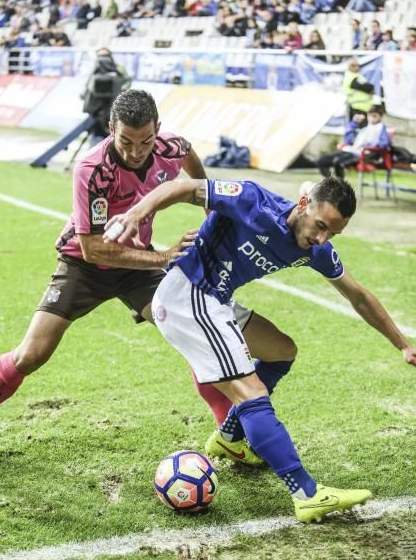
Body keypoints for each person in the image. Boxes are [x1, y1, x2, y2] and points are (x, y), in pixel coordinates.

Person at [103, 176, 416, 523]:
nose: (322, 238)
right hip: (187, 297)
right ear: (303, 205)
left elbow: (358, 295)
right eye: (321, 226)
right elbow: (187, 187)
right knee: (250, 394)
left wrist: (403, 345)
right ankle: (307, 494)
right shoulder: (253, 201)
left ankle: (229, 438)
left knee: (281, 350)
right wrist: (137, 213)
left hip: (215, 301)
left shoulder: (316, 249)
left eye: (332, 234)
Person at [0, 89, 221, 457]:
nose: (136, 151)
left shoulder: (170, 147)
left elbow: (190, 161)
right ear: (111, 129)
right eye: (126, 140)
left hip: (136, 266)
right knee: (32, 354)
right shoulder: (92, 170)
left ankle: (228, 433)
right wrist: (164, 257)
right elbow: (93, 247)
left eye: (146, 140)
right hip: (84, 265)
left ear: (158, 128)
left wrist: (209, 208)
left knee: (193, 337)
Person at [316, 105, 391, 179]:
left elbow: (384, 144)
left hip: (362, 155)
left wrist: (368, 146)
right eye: (370, 116)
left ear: (381, 117)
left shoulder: (381, 128)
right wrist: (354, 123)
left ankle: (339, 186)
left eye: (374, 116)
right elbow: (348, 140)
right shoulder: (364, 129)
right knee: (321, 161)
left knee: (338, 162)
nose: (371, 118)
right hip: (350, 151)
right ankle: (332, 183)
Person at [81, 48, 131, 147]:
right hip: (97, 109)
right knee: (96, 134)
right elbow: (89, 84)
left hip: (113, 106)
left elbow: (127, 81)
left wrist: (120, 91)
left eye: (104, 56)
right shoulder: (96, 70)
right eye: (99, 56)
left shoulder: (118, 69)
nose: (101, 59)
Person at [342, 58, 375, 122]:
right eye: (353, 65)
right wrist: (371, 88)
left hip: (364, 107)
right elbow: (365, 87)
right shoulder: (351, 77)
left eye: (358, 65)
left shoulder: (357, 75)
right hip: (357, 107)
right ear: (349, 67)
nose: (357, 67)